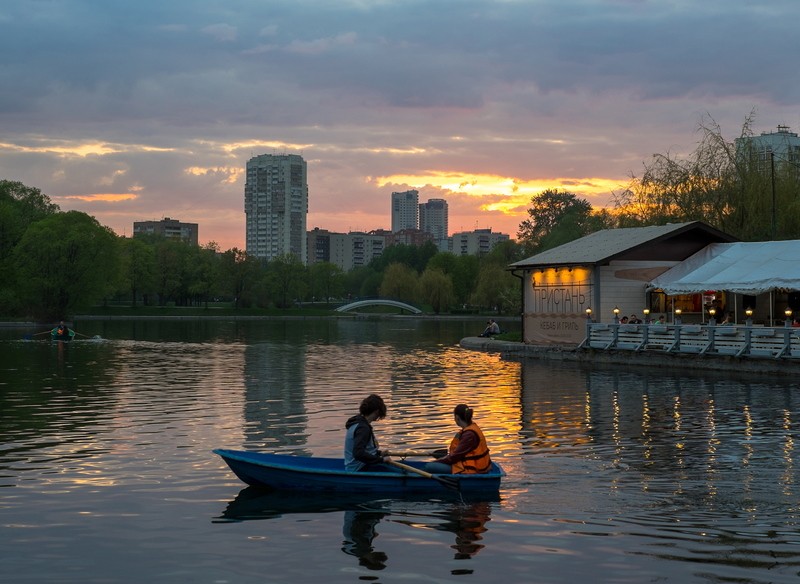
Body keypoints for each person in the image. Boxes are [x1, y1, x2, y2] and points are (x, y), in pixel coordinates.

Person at [425, 404, 492, 475]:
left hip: (471, 470)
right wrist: (444, 459)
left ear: (457, 418)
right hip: (472, 465)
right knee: (437, 463)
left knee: (428, 466)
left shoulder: (469, 435)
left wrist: (438, 461)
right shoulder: (471, 428)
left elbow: (454, 457)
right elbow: (457, 454)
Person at [344, 394, 392, 472]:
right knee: (392, 469)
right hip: (359, 469)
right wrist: (381, 460)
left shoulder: (357, 422)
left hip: (357, 466)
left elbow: (365, 449)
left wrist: (379, 453)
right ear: (377, 411)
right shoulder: (363, 428)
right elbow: (358, 453)